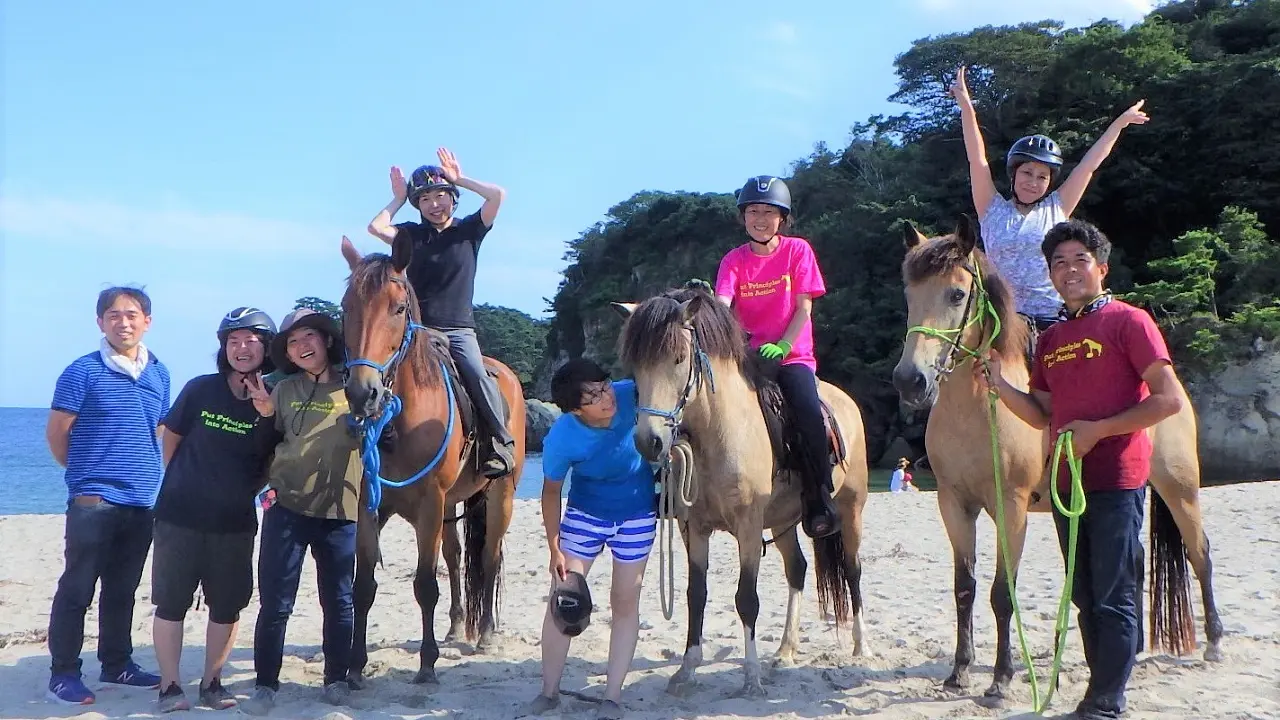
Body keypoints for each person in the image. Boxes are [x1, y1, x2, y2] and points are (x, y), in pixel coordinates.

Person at [978, 220, 1184, 720]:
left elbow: (1169, 399)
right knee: (1086, 593)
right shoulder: (1052, 340)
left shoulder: (1128, 322)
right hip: (1069, 484)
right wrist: (1001, 386)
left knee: (1113, 593)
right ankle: (1101, 689)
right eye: (1058, 263)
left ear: (1102, 267)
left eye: (1079, 260)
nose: (1068, 270)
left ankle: (1106, 702)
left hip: (1117, 477)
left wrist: (1099, 430)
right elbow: (1043, 413)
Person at [950, 64, 1149, 336]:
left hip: (1053, 319)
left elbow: (1089, 165)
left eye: (1042, 177)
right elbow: (977, 159)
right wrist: (966, 107)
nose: (1033, 182)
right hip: (1002, 321)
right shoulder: (991, 208)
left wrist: (1120, 122)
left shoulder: (1056, 207)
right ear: (1014, 174)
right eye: (1027, 173)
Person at [44, 286, 170, 705]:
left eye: (132, 314)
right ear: (101, 322)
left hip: (141, 499)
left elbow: (156, 430)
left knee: (123, 588)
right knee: (78, 588)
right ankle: (63, 672)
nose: (123, 322)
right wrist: (84, 477)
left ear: (147, 321)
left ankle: (117, 663)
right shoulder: (81, 371)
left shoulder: (160, 373)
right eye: (113, 315)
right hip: (93, 499)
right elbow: (59, 433)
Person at [151, 308, 279, 712]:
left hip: (235, 521)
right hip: (179, 515)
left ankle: (212, 682)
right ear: (224, 348)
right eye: (233, 341)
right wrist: (184, 482)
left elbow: (272, 461)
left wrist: (266, 415)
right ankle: (170, 687)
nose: (242, 348)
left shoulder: (278, 399)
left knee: (227, 605)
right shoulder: (201, 389)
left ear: (267, 347)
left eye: (251, 340)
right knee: (171, 603)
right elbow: (170, 438)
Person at [240, 308, 363, 715]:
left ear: (326, 340)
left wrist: (376, 420)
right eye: (292, 342)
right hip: (287, 508)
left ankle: (336, 679)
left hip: (339, 509)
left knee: (339, 600)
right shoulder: (282, 390)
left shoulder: (356, 387)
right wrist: (262, 416)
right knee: (276, 603)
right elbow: (263, 447)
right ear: (288, 355)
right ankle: (265, 685)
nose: (301, 346)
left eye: (308, 337)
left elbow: (390, 442)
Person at [366, 147, 515, 479]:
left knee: (476, 373)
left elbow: (497, 195)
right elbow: (376, 227)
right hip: (417, 330)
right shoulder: (411, 235)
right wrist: (399, 198)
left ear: (453, 198)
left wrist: (460, 178)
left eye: (441, 195)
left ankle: (500, 443)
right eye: (425, 199)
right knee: (378, 370)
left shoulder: (469, 230)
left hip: (459, 330)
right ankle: (373, 440)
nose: (434, 204)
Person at [529, 359, 658, 720]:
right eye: (594, 396)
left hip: (637, 514)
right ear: (575, 408)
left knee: (625, 600)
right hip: (585, 515)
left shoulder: (631, 395)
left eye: (605, 386)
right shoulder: (562, 437)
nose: (607, 397)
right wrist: (554, 547)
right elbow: (551, 492)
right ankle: (549, 692)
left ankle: (612, 697)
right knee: (564, 597)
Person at [714, 175, 840, 539]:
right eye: (754, 211)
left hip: (791, 355)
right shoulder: (733, 260)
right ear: (743, 217)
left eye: (769, 212)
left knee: (807, 411)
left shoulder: (797, 251)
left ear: (782, 219)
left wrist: (784, 346)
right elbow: (723, 305)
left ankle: (819, 496)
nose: (761, 218)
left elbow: (804, 307)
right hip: (747, 355)